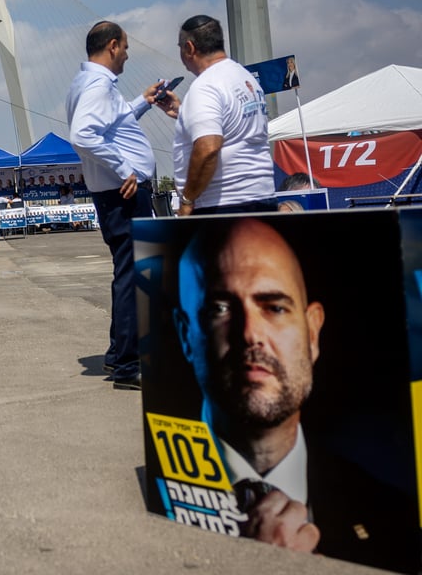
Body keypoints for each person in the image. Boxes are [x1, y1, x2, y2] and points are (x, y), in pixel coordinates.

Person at [175, 218, 415, 572]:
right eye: (220, 308)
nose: (251, 334)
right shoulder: (164, 489)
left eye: (274, 307)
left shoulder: (391, 512)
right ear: (185, 335)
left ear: (313, 333)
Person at [65, 20, 177, 391]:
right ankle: (128, 365)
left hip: (115, 193)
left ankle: (120, 355)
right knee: (133, 276)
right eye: (126, 47)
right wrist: (125, 167)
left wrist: (141, 104)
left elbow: (112, 123)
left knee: (128, 273)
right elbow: (83, 134)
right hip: (124, 193)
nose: (128, 54)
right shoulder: (98, 85)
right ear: (113, 45)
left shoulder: (88, 84)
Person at [174, 15, 276, 215]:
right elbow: (235, 128)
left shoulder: (205, 86)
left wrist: (187, 199)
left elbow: (208, 148)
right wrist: (182, 113)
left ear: (189, 48)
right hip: (262, 196)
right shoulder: (246, 78)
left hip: (223, 204)